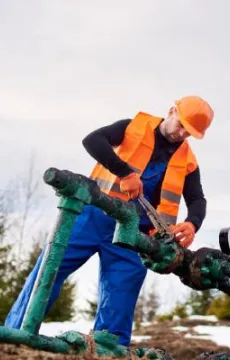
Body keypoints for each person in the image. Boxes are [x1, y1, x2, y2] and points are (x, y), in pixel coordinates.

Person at [5, 95, 212, 347]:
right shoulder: (132, 127)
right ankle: (12, 339)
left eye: (189, 132)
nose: (181, 134)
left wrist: (192, 223)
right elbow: (92, 140)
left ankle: (107, 350)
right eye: (181, 125)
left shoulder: (188, 162)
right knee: (49, 269)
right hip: (93, 217)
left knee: (120, 296)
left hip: (134, 235)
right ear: (171, 111)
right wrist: (124, 172)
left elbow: (197, 198)